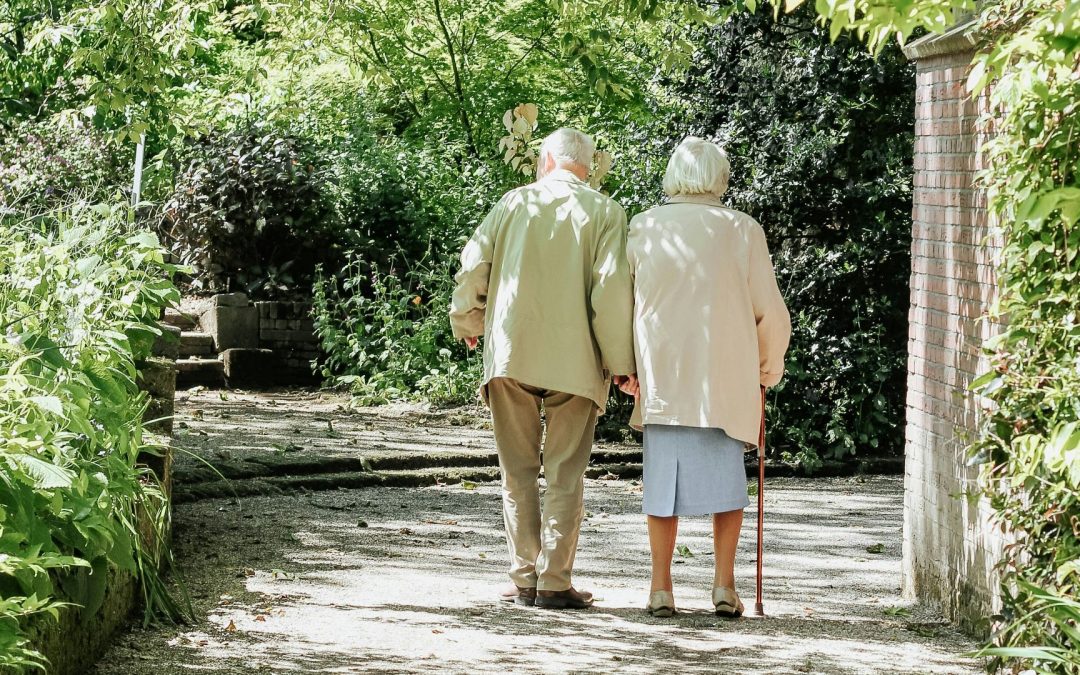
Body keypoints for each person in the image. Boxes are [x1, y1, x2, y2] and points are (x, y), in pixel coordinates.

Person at [449, 128, 637, 610]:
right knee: (565, 472)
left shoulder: (512, 203)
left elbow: (474, 267)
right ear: (588, 166)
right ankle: (554, 581)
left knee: (517, 471)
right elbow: (611, 293)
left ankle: (523, 577)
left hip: (512, 353)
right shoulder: (606, 212)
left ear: (546, 160)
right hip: (576, 361)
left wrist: (467, 319)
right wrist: (622, 365)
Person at [619, 137, 791, 618]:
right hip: (725, 377)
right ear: (721, 177)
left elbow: (622, 304)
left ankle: (660, 587)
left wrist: (624, 367)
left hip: (664, 375)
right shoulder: (742, 230)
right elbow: (770, 312)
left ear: (674, 174)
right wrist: (766, 368)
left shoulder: (644, 226)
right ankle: (723, 585)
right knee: (727, 485)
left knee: (661, 487)